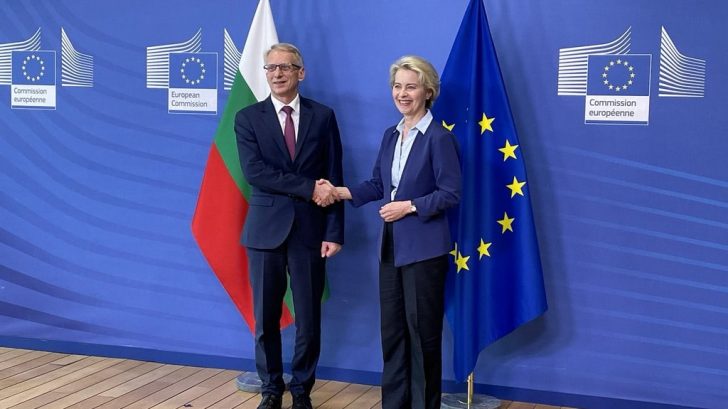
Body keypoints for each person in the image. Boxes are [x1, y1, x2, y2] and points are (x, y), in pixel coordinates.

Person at [336, 56, 461, 409]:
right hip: (390, 249)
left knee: (423, 337)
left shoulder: (439, 138)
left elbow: (451, 193)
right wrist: (341, 192)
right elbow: (379, 184)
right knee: (392, 333)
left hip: (424, 250)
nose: (402, 93)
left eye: (410, 87)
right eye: (397, 86)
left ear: (428, 92)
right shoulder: (391, 135)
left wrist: (408, 206)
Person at [235, 43, 344, 409]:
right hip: (265, 231)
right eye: (271, 67)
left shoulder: (323, 116)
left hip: (310, 231)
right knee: (266, 318)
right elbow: (256, 173)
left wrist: (334, 231)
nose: (277, 73)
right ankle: (270, 389)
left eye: (285, 66)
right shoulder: (248, 118)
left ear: (301, 72)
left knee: (309, 318)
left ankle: (301, 391)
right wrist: (309, 187)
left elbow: (334, 175)